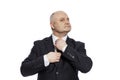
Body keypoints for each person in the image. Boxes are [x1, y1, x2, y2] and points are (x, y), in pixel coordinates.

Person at [20, 11, 93, 80]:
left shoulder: (78, 45)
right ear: (52, 25)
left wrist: (65, 48)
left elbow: (86, 67)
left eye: (68, 19)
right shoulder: (39, 45)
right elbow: (24, 70)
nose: (67, 22)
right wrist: (45, 59)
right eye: (62, 20)